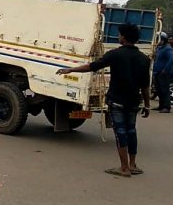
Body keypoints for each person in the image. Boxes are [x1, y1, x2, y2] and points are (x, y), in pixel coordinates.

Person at [57, 23, 150, 178]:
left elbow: (93, 66)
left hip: (117, 100)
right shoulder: (144, 59)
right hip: (134, 101)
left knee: (121, 133)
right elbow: (145, 86)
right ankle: (133, 165)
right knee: (131, 131)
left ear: (124, 37)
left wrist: (71, 69)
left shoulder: (115, 54)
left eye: (120, 34)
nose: (119, 37)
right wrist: (146, 105)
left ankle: (124, 168)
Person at [152, 33, 173, 113]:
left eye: (159, 39)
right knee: (158, 90)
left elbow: (172, 58)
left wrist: (165, 69)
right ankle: (161, 105)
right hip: (157, 72)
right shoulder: (159, 48)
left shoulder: (167, 49)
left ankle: (166, 107)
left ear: (163, 40)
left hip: (163, 73)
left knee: (164, 90)